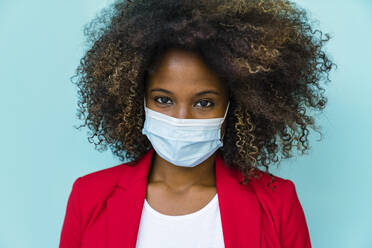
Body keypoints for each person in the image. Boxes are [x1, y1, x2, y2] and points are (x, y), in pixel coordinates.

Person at [59, 0, 334, 247]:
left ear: (235, 107)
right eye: (163, 100)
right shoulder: (89, 197)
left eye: (204, 103)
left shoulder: (277, 202)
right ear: (136, 100)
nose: (181, 119)